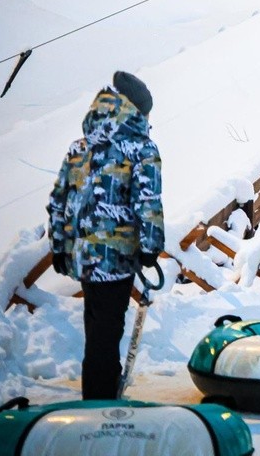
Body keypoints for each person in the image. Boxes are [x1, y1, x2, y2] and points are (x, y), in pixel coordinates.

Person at [47, 71, 164, 400]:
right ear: (135, 111)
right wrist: (150, 247)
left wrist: (60, 247)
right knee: (106, 334)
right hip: (116, 259)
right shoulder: (141, 149)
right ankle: (99, 406)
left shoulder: (80, 147)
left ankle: (100, 394)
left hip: (83, 257)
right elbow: (148, 202)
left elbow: (59, 201)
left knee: (97, 329)